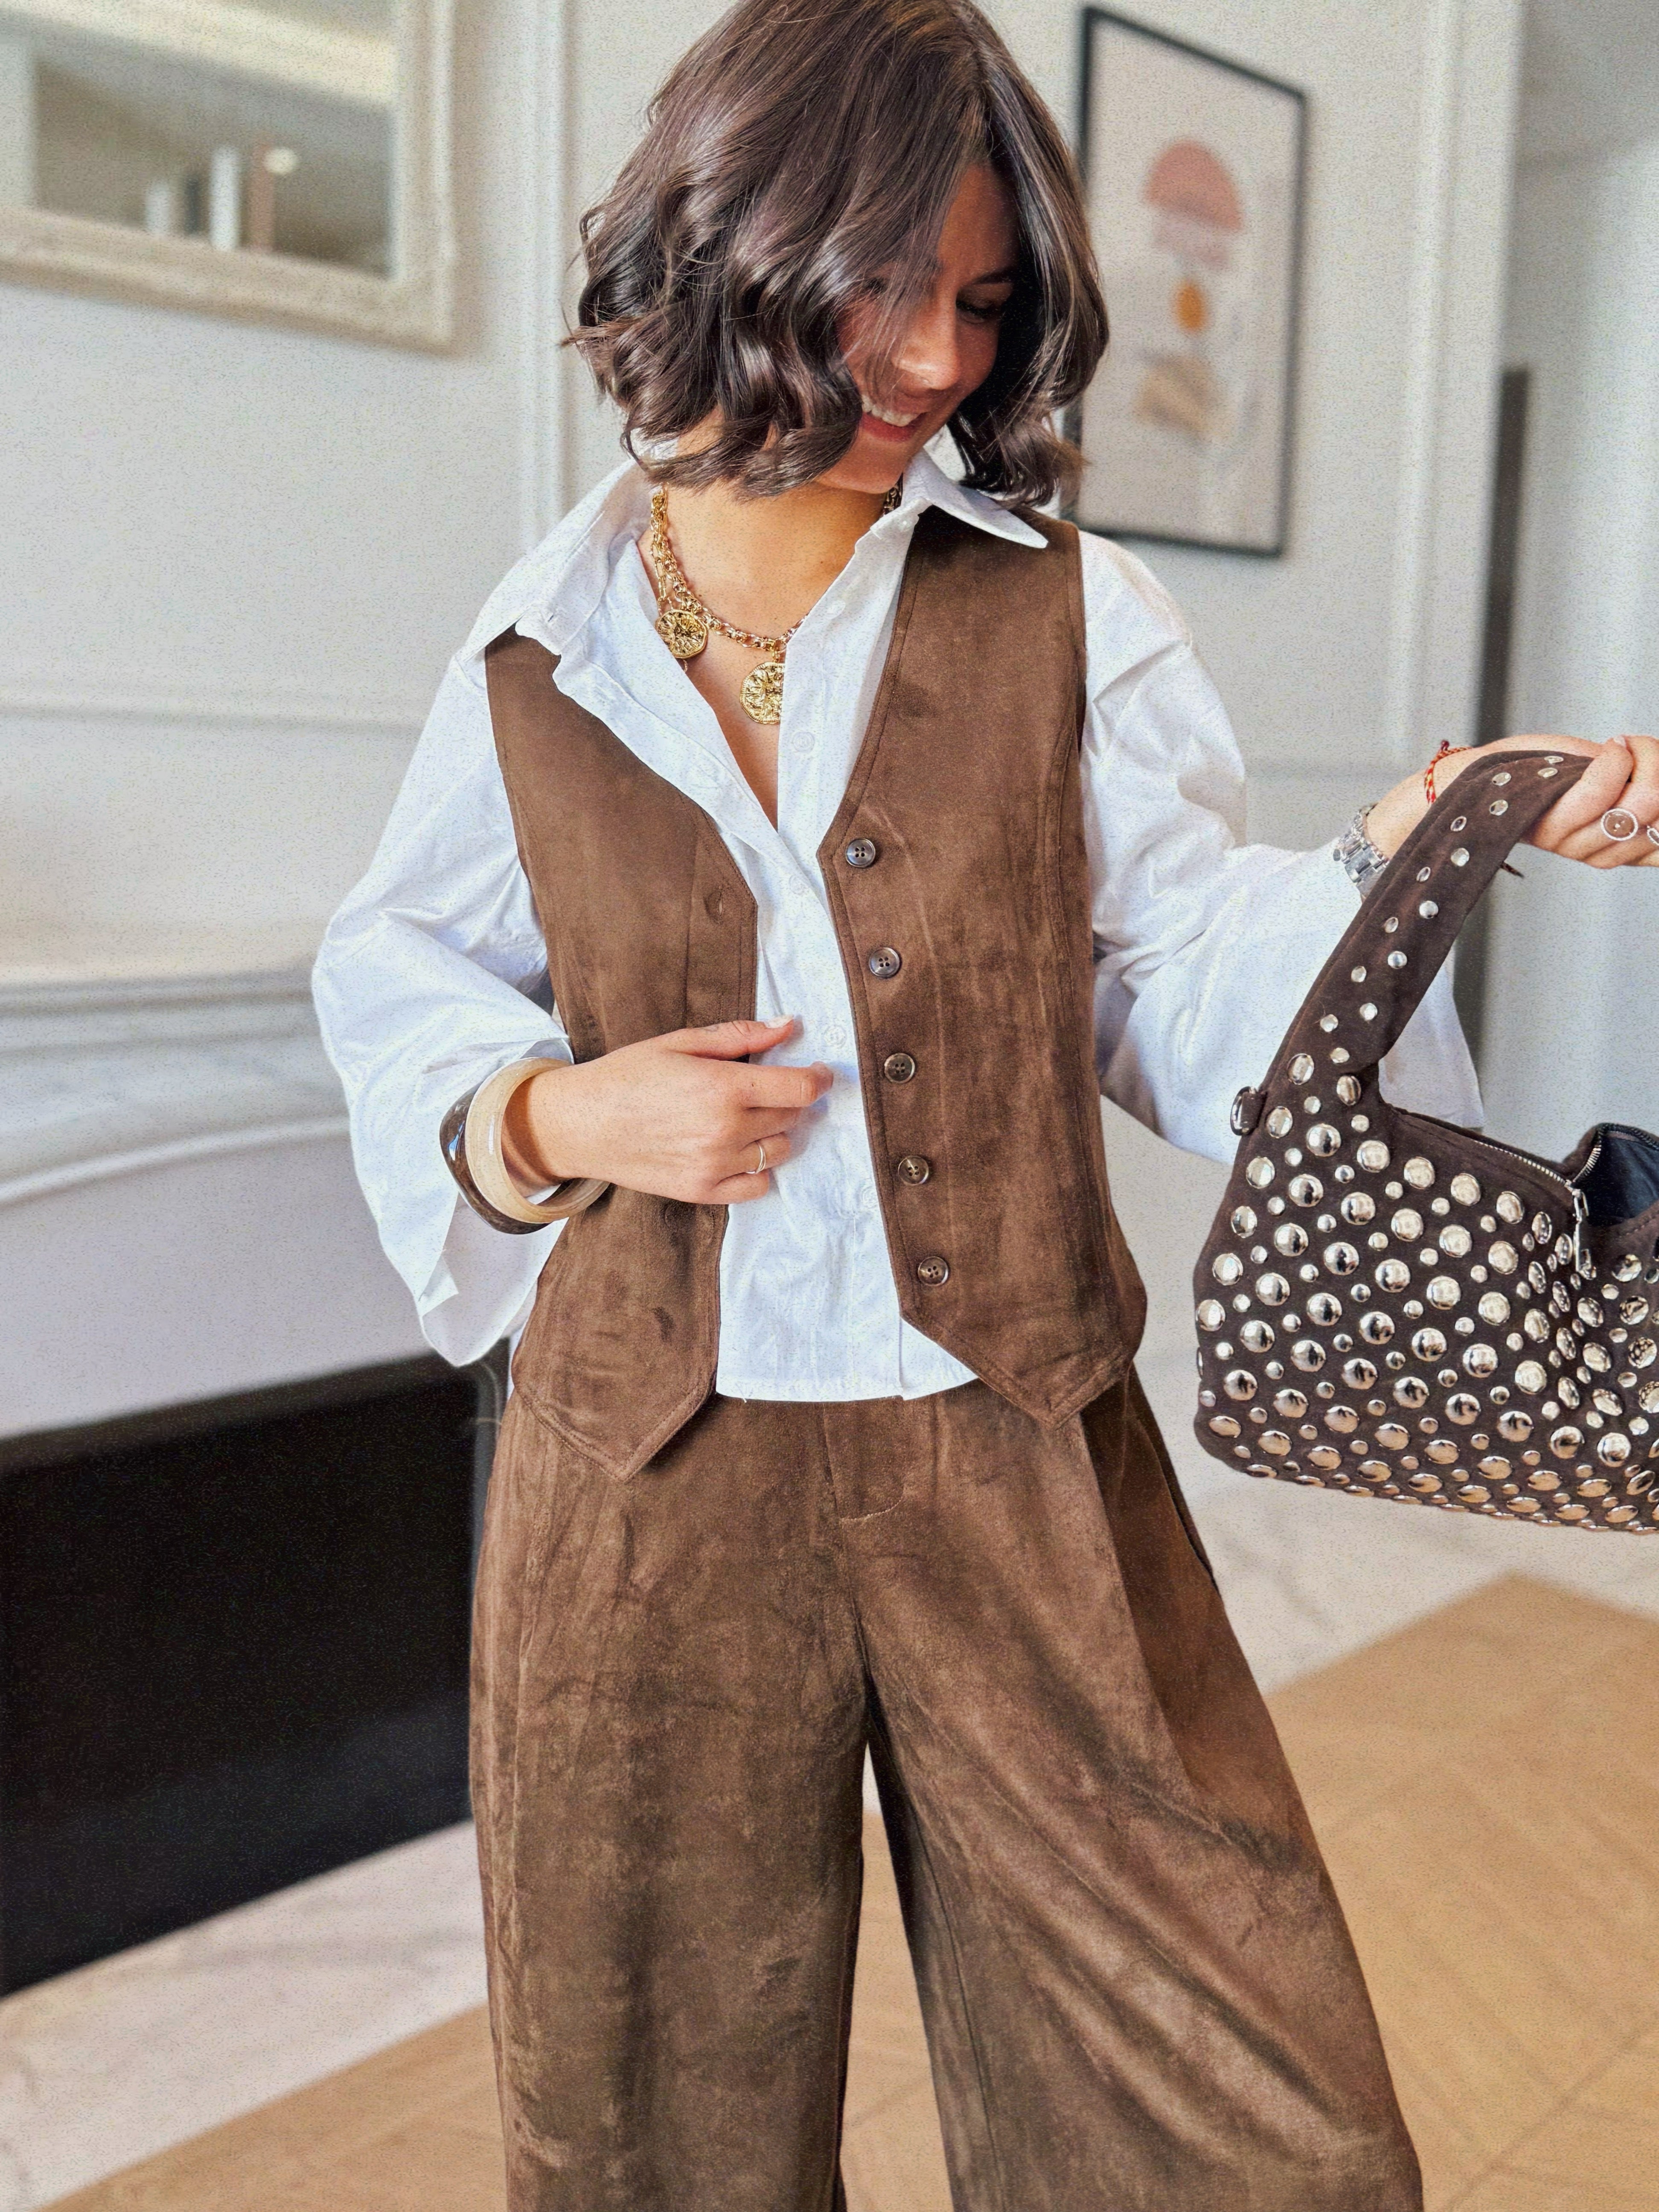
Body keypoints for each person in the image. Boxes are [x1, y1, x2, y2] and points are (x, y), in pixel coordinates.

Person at [313, 3, 1659, 2205]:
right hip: (645, 1480)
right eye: (882, 283)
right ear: (728, 245)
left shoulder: (1072, 614)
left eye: (987, 298)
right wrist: (556, 1121)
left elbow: (1174, 990)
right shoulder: (539, 647)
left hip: (1019, 1447)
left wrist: (1405, 852)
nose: (939, 356)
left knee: (1238, 2107)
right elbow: (396, 978)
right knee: (649, 2123)